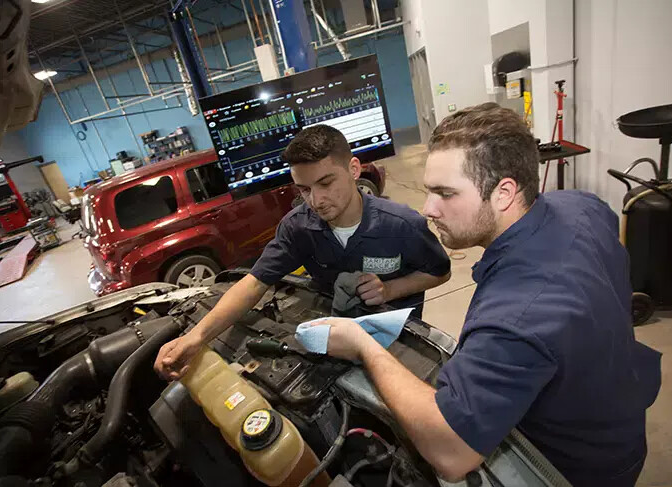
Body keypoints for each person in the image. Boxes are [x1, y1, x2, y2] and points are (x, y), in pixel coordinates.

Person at [318, 104, 662, 486]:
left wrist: (365, 346)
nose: (428, 208)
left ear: (504, 193)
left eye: (445, 193)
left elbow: (451, 453)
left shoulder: (516, 315)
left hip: (575, 468)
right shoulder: (583, 205)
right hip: (620, 417)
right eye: (429, 190)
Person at [155, 124, 451, 381]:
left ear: (354, 169)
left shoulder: (402, 224)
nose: (316, 200)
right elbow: (254, 282)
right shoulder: (297, 228)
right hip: (335, 341)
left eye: (326, 183)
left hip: (399, 343)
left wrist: (389, 289)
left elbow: (440, 271)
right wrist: (196, 338)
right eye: (304, 189)